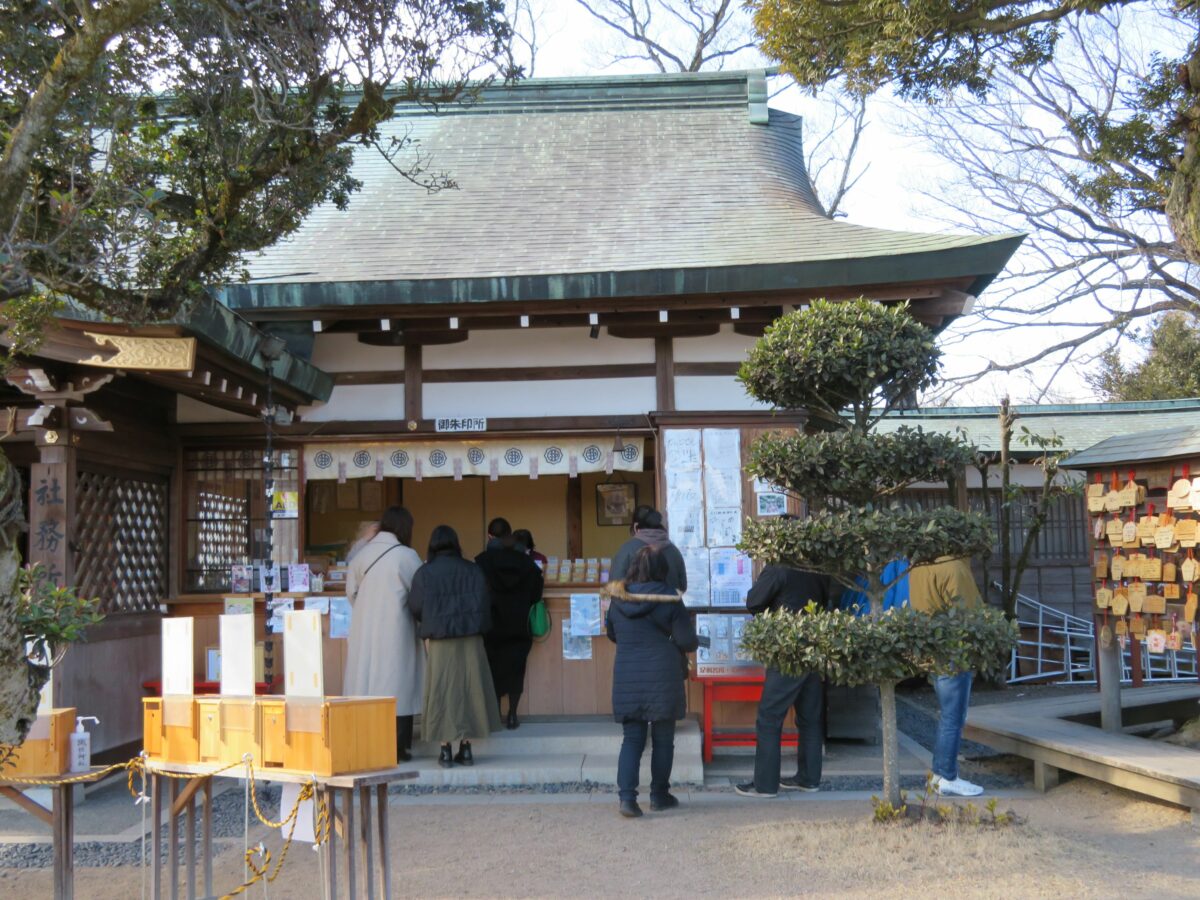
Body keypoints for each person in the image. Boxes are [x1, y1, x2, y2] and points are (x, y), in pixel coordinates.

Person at [605, 544, 698, 818]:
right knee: (663, 738)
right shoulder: (671, 599)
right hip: (663, 674)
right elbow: (687, 640)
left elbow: (612, 633)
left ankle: (627, 799)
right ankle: (659, 795)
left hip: (628, 673)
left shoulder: (618, 598)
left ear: (633, 568)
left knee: (631, 739)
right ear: (663, 570)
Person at [735, 544, 830, 799]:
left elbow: (753, 601)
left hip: (786, 649)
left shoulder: (779, 567)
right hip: (814, 646)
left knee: (769, 717)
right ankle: (809, 778)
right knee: (809, 717)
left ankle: (765, 785)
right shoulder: (818, 566)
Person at [409, 525, 503, 767]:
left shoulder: (424, 573)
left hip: (440, 641)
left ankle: (445, 750)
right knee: (470, 689)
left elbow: (416, 606)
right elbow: (485, 600)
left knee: (441, 692)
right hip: (471, 638)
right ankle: (467, 748)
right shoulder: (472, 570)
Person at [343, 507, 423, 763]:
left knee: (367, 683)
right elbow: (419, 593)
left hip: (364, 629)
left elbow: (351, 593)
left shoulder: (361, 556)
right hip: (398, 628)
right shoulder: (407, 556)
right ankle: (399, 746)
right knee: (399, 683)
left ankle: (368, 742)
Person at [908, 555, 984, 797]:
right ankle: (946, 775)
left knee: (947, 714)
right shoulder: (953, 567)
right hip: (954, 647)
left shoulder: (917, 567)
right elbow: (968, 610)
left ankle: (941, 774)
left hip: (932, 647)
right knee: (953, 716)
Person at [476, 518, 544, 729]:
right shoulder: (526, 562)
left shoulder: (481, 561)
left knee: (492, 667)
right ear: (510, 534)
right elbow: (536, 594)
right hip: (519, 624)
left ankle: (495, 714)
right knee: (517, 668)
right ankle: (513, 714)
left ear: (489, 536)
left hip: (491, 624)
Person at [610, 505, 688, 593]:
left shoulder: (626, 550)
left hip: (634, 605)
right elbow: (682, 586)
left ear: (635, 527)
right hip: (669, 606)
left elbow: (615, 586)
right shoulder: (674, 551)